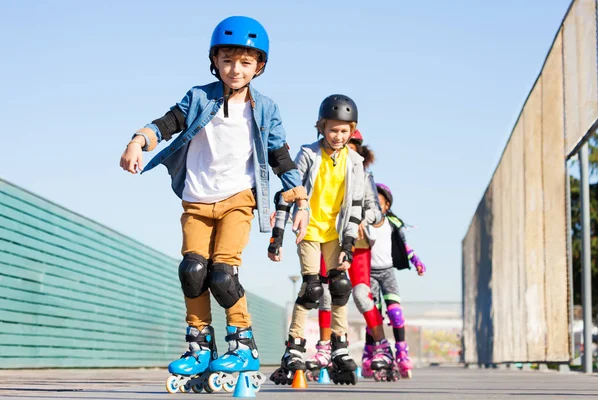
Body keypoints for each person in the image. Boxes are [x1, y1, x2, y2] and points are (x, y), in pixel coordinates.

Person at [118, 16, 309, 393]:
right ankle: (200, 343)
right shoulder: (199, 97)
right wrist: (137, 141)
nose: (235, 69)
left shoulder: (266, 108)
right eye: (227, 60)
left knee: (222, 274)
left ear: (259, 66)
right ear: (214, 60)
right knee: (192, 270)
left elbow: (279, 155)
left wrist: (299, 197)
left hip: (239, 199)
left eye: (245, 62)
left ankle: (243, 343)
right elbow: (167, 123)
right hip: (196, 199)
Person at [269, 94, 364, 385]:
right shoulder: (308, 153)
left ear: (353, 130)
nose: (338, 136)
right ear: (321, 127)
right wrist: (278, 236)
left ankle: (339, 346)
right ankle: (294, 346)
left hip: (335, 233)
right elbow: (290, 189)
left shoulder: (355, 161)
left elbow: (356, 204)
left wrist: (348, 243)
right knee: (311, 289)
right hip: (309, 230)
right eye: (333, 129)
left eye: (344, 130)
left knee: (340, 286)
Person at [305, 130, 399, 382]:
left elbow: (377, 213)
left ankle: (382, 346)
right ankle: (325, 346)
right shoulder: (321, 166)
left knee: (359, 293)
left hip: (357, 243)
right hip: (328, 238)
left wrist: (360, 219)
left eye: (351, 144)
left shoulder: (364, 176)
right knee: (325, 292)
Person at [365, 183, 426, 379]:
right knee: (373, 315)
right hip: (369, 273)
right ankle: (370, 353)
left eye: (379, 203)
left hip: (387, 272)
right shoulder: (363, 222)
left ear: (387, 205)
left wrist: (416, 261)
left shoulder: (392, 223)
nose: (375, 207)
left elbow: (404, 246)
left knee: (396, 313)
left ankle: (401, 352)